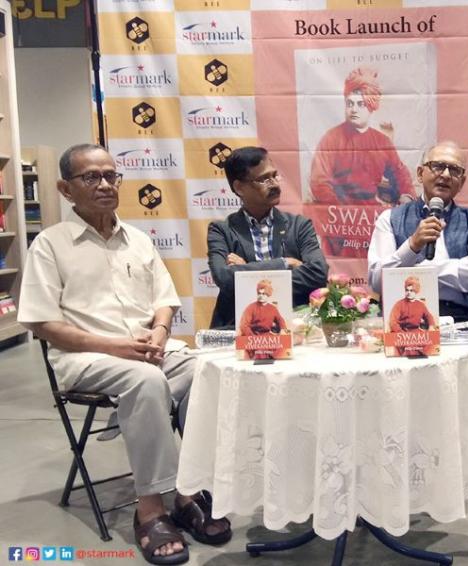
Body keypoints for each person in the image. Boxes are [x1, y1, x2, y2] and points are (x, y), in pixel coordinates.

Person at [17, 144, 232, 565]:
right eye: (91, 177)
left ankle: (188, 488)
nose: (104, 185)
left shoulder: (138, 240)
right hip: (87, 358)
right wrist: (116, 347)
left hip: (147, 350)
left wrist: (160, 331)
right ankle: (151, 507)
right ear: (65, 188)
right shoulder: (49, 245)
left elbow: (164, 300)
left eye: (110, 175)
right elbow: (42, 324)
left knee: (208, 368)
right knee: (146, 381)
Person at [368, 141, 468, 382]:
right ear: (420, 173)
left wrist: (418, 271)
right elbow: (378, 280)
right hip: (403, 321)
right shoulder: (390, 219)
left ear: (462, 181)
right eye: (438, 166)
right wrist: (412, 245)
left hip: (463, 320)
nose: (446, 175)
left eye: (454, 170)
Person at [207, 146, 328, 328]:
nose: (274, 184)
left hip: (294, 325)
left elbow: (318, 273)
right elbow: (224, 279)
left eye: (274, 176)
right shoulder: (221, 230)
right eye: (263, 179)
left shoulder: (299, 226)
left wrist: (245, 271)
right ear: (239, 187)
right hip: (238, 327)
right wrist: (284, 264)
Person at [309, 67, 415, 205]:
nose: (354, 110)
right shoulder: (331, 138)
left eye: (360, 104)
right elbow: (319, 182)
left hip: (374, 210)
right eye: (350, 104)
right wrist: (340, 209)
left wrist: (406, 196)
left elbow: (400, 173)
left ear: (371, 107)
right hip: (338, 211)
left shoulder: (382, 141)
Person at [388, 276, 436, 356]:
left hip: (416, 333)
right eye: (407, 290)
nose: (409, 292)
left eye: (411, 290)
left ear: (416, 291)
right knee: (410, 345)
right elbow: (393, 322)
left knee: (431, 340)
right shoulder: (399, 304)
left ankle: (423, 360)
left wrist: (431, 326)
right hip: (401, 333)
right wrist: (402, 334)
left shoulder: (420, 305)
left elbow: (428, 316)